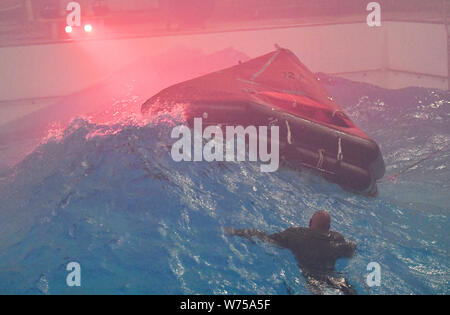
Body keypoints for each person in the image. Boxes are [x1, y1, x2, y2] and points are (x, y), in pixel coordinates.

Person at [224, 210, 357, 295]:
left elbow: (265, 238)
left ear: (310, 223)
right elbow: (351, 249)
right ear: (328, 228)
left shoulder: (296, 235)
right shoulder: (337, 238)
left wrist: (237, 232)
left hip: (310, 277)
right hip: (333, 276)